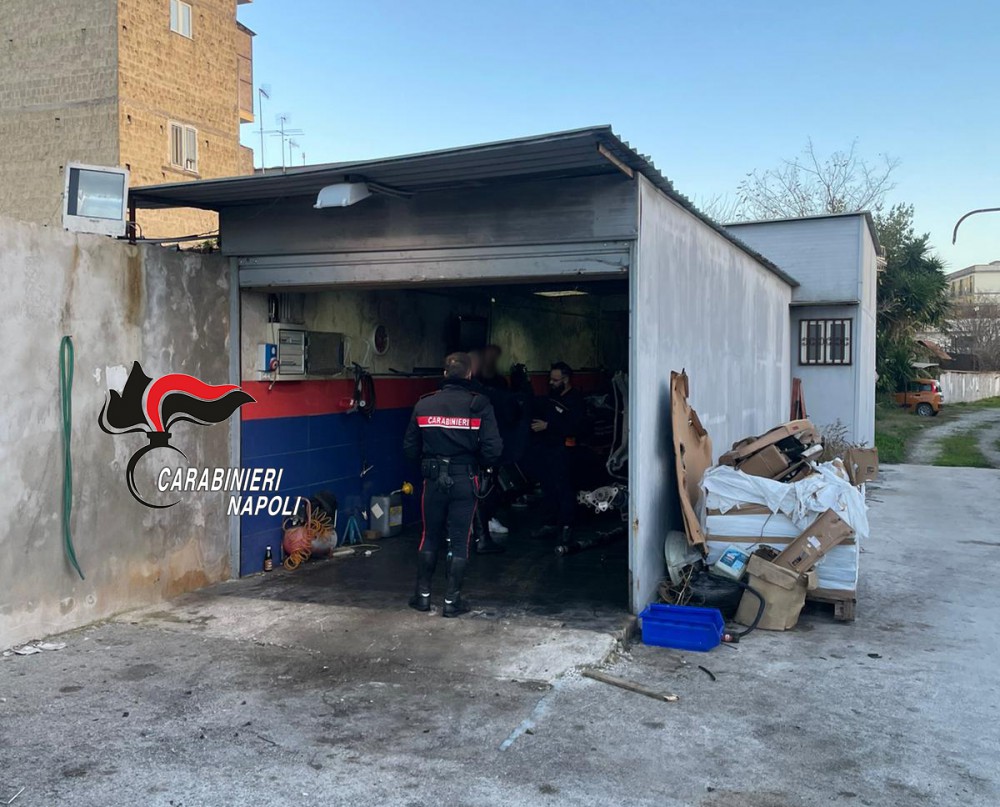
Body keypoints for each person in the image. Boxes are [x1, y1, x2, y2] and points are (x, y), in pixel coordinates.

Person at [403, 352, 503, 617]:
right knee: (460, 540)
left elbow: (410, 449)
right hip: (464, 479)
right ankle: (451, 601)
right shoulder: (479, 404)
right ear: (469, 375)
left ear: (445, 374)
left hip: (433, 480)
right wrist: (475, 463)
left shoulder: (424, 405)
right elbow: (494, 449)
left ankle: (423, 598)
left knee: (429, 536)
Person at [529, 362, 584, 542]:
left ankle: (567, 525)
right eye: (550, 379)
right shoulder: (550, 399)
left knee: (564, 488)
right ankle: (550, 523)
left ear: (566, 379)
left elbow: (577, 426)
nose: (551, 383)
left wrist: (549, 426)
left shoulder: (575, 400)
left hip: (565, 450)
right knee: (548, 487)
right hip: (546, 449)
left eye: (555, 380)